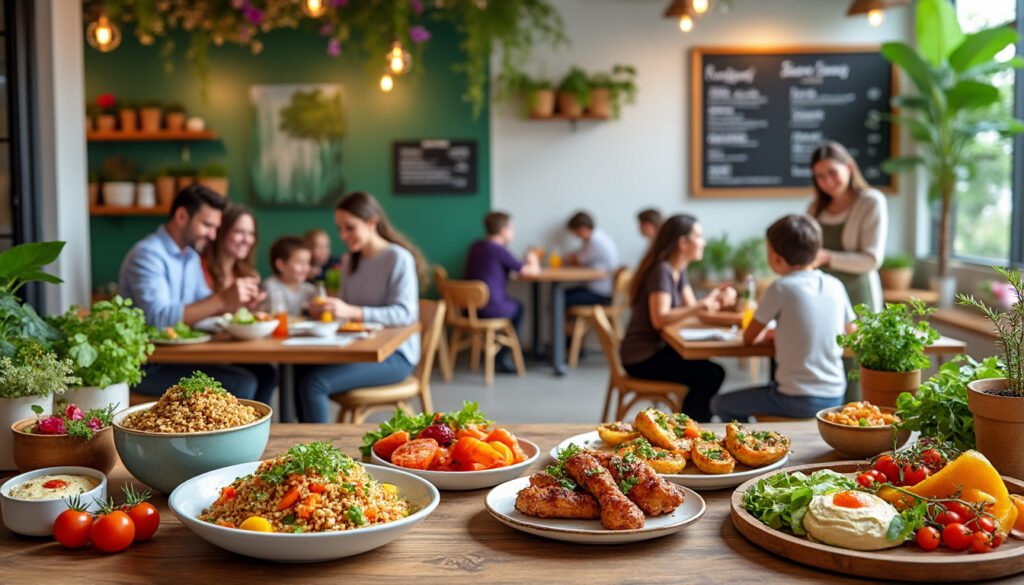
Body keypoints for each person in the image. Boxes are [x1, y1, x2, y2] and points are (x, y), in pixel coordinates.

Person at [118, 185, 271, 401]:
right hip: (149, 366)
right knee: (243, 382)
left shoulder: (189, 256)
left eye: (216, 227)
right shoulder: (147, 255)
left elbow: (203, 305)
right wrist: (221, 299)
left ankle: (257, 434)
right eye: (207, 225)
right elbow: (158, 319)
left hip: (180, 357)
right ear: (181, 216)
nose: (213, 235)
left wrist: (238, 305)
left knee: (265, 373)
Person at [711, 215, 853, 421]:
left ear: (776, 258)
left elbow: (749, 337)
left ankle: (749, 448)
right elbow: (851, 333)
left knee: (719, 403)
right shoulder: (835, 285)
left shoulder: (780, 287)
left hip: (794, 399)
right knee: (771, 387)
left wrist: (772, 335)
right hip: (835, 396)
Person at [300, 192, 425, 423]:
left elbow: (405, 314)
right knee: (299, 371)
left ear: (371, 223)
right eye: (339, 229)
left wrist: (351, 311)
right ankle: (297, 447)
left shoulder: (398, 258)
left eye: (350, 227)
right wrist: (328, 311)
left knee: (313, 382)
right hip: (357, 348)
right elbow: (345, 313)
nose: (343, 235)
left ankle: (319, 454)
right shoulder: (349, 261)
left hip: (394, 356)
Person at [619, 214, 735, 422]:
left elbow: (694, 310)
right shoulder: (661, 271)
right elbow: (660, 318)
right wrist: (702, 305)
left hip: (655, 351)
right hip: (641, 357)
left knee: (712, 372)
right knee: (710, 375)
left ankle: (694, 425)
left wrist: (716, 298)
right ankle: (690, 430)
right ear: (683, 242)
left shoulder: (677, 270)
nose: (704, 241)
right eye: (698, 236)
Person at [808, 141, 887, 312]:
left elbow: (871, 261)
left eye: (832, 172)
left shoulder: (871, 202)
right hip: (822, 297)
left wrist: (826, 257)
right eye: (820, 176)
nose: (827, 181)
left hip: (858, 297)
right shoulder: (814, 208)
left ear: (849, 167)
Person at [464, 211, 540, 371]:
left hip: (468, 308)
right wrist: (533, 259)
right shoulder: (499, 250)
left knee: (514, 304)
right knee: (519, 308)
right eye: (512, 228)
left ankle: (499, 353)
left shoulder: (476, 246)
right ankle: (502, 356)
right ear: (504, 230)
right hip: (490, 308)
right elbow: (529, 272)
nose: (513, 232)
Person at [201, 203, 260, 293]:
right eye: (239, 231)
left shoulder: (249, 275)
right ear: (221, 232)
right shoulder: (200, 268)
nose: (246, 240)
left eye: (251, 233)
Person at [564, 211, 620, 307]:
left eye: (575, 231)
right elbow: (576, 255)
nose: (575, 235)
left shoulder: (596, 241)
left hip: (601, 293)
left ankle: (567, 322)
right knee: (561, 295)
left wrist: (566, 259)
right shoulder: (593, 238)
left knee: (560, 299)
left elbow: (577, 260)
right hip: (595, 288)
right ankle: (569, 322)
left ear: (582, 228)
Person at [263, 236, 318, 316]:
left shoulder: (308, 289)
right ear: (281, 265)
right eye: (300, 262)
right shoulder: (270, 287)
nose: (305, 268)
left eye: (307, 263)